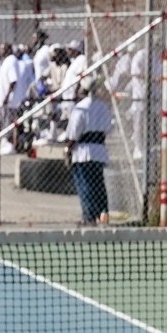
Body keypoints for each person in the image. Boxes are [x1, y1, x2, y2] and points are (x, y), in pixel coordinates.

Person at [64, 73, 113, 224]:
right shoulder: (103, 107)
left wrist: (67, 151)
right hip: (99, 150)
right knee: (98, 184)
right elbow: (108, 128)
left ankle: (89, 216)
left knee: (85, 185)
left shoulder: (80, 108)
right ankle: (103, 212)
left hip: (83, 151)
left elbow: (73, 134)